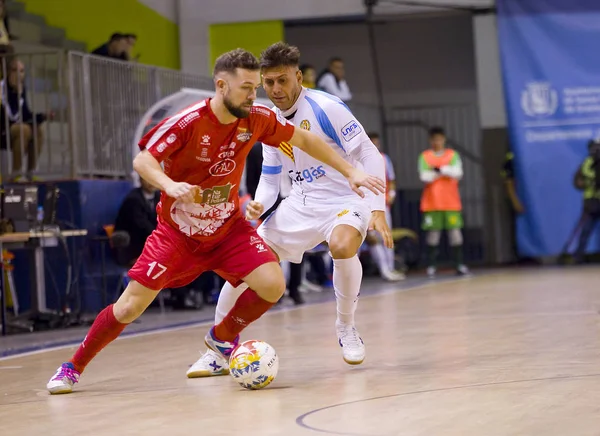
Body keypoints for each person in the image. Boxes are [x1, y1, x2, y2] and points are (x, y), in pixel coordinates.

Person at [45, 48, 384, 394]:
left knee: (272, 283)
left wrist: (350, 171)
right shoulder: (188, 121)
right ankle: (73, 366)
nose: (255, 95)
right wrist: (169, 184)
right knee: (129, 306)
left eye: (257, 88)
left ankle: (220, 341)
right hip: (177, 235)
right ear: (222, 86)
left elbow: (304, 139)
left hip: (227, 231)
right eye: (247, 88)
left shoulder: (257, 117)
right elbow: (143, 161)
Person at [187, 42, 392, 378]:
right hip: (298, 204)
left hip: (344, 199)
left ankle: (346, 327)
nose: (276, 89)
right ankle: (219, 350)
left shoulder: (328, 107)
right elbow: (270, 177)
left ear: (298, 76)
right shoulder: (267, 118)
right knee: (242, 267)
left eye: (283, 80)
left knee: (341, 246)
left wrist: (377, 206)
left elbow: (369, 154)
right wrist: (258, 205)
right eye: (268, 83)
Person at [418, 127, 469, 278]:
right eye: (434, 139)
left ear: (444, 139)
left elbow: (458, 173)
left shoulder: (452, 155)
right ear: (430, 140)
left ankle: (459, 264)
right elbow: (424, 176)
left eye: (439, 139)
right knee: (433, 235)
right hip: (432, 202)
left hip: (451, 202)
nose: (437, 142)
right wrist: (442, 172)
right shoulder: (425, 156)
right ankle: (432, 265)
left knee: (455, 233)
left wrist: (440, 170)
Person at [364, 132, 404, 281]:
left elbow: (391, 179)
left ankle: (391, 268)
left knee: (386, 235)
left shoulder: (384, 159)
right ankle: (384, 270)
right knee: (373, 238)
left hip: (382, 204)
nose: (374, 146)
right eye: (371, 143)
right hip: (366, 205)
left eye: (376, 143)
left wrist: (392, 193)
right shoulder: (359, 160)